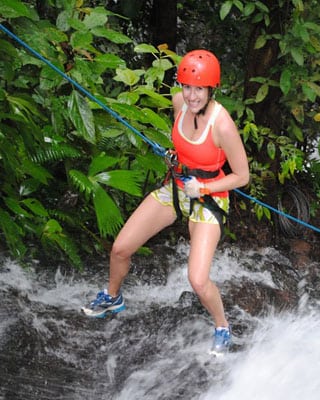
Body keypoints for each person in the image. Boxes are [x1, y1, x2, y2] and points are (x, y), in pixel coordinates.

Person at [81, 49, 250, 354]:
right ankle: (112, 297)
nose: (191, 95)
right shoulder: (177, 103)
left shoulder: (222, 125)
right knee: (120, 248)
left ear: (211, 89)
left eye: (199, 88)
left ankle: (222, 326)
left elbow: (242, 176)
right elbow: (182, 141)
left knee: (197, 280)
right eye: (187, 86)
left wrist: (205, 187)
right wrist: (177, 157)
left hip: (208, 197)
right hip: (176, 187)